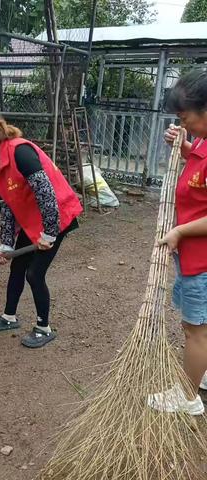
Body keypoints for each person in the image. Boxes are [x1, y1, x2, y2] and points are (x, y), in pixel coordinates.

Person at [0, 115, 82, 348]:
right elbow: (6, 204)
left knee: (34, 273)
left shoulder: (21, 153)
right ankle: (9, 317)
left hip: (57, 218)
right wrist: (7, 244)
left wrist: (49, 234)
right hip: (34, 221)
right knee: (17, 265)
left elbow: (47, 195)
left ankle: (43, 327)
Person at [148, 70, 207, 416]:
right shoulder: (201, 140)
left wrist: (181, 232)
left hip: (202, 259)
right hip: (193, 256)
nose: (183, 123)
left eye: (186, 119)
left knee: (194, 329)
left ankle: (187, 398)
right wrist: (184, 146)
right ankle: (201, 374)